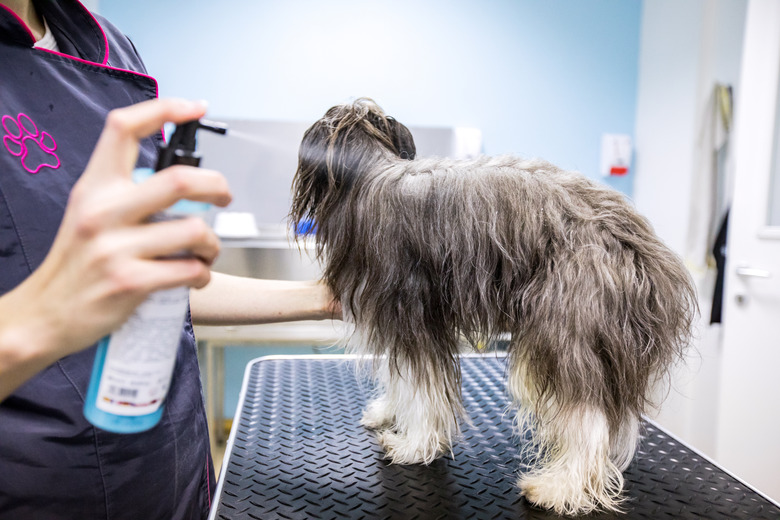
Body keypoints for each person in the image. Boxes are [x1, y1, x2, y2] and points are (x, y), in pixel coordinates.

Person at [0, 1, 337, 518]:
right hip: (41, 490)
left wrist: (326, 298)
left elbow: (149, 286)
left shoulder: (105, 45)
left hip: (171, 469)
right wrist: (44, 316)